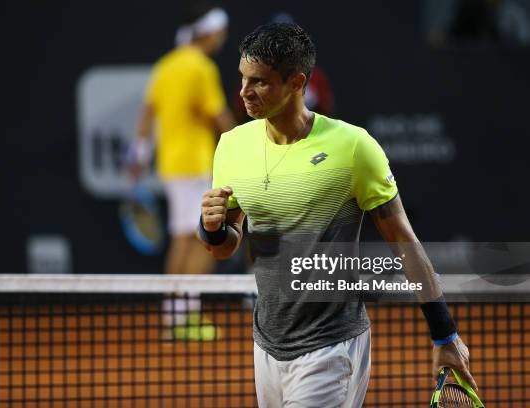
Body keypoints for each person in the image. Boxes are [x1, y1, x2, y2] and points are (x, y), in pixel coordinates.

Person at [197, 23, 477, 406]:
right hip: (266, 346)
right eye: (242, 79)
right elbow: (225, 245)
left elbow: (403, 242)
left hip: (331, 348)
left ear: (296, 83)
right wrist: (211, 228)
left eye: (259, 82)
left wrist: (444, 335)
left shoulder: (353, 147)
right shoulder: (231, 145)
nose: (244, 92)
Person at [132, 3, 235, 339]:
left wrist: (140, 151)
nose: (222, 37)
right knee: (204, 240)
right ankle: (186, 317)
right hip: (194, 166)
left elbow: (147, 113)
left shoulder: (167, 65)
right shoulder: (200, 68)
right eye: (220, 31)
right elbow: (219, 117)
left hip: (172, 167)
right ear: (207, 32)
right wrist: (247, 145)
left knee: (182, 240)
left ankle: (174, 317)